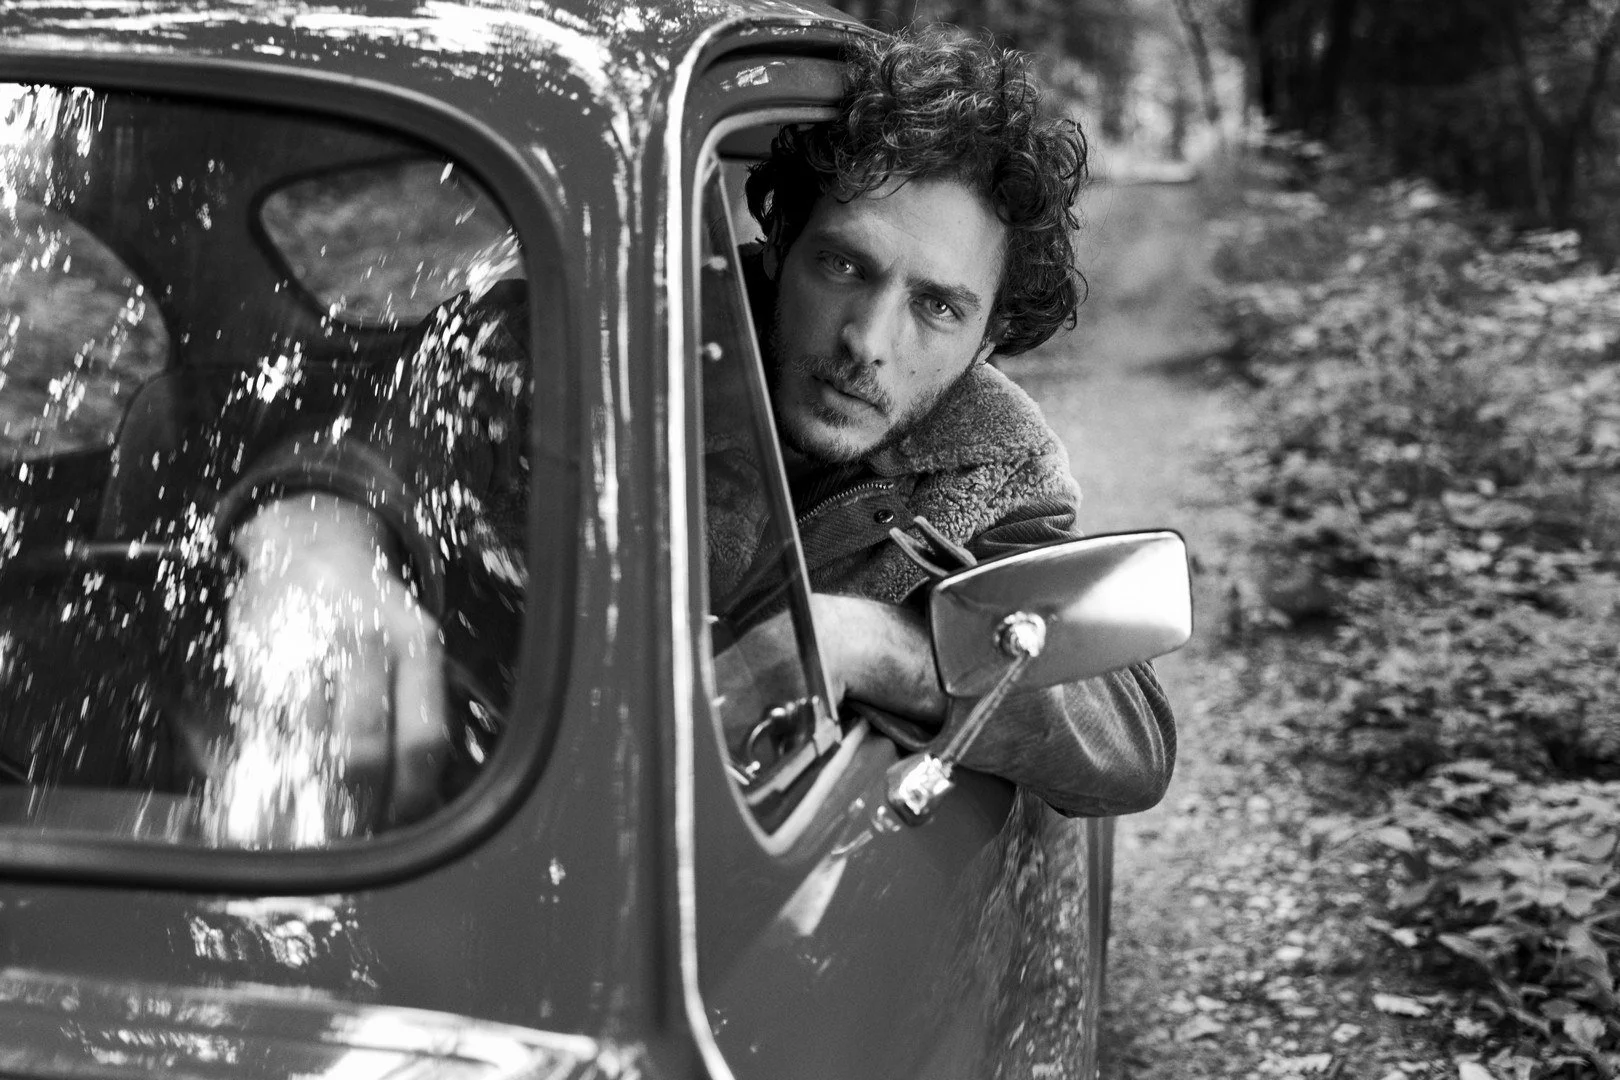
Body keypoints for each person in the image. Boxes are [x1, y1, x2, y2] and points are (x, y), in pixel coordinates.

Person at [215, 25, 1174, 838]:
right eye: (842, 267)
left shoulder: (999, 466)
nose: (867, 344)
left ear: (993, 332)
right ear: (780, 240)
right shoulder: (599, 325)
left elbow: (1125, 733)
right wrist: (317, 526)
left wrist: (861, 644)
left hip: (730, 902)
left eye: (937, 308)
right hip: (452, 830)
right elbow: (373, 427)